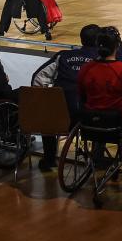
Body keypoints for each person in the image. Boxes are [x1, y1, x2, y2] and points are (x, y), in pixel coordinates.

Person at [32, 23, 107, 171]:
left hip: (59, 119)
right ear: (100, 42)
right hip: (88, 121)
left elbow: (38, 78)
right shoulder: (101, 60)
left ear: (81, 40)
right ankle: (98, 160)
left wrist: (47, 97)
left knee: (49, 115)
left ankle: (48, 159)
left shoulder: (63, 55)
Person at [77, 27, 122, 121]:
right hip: (117, 122)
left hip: (90, 120)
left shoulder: (85, 68)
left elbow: (82, 97)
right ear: (118, 46)